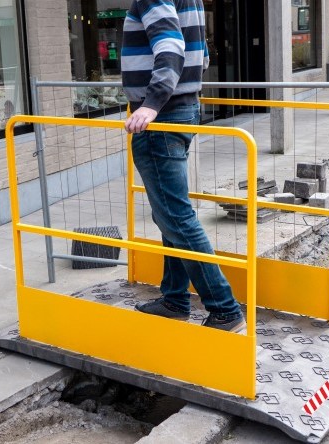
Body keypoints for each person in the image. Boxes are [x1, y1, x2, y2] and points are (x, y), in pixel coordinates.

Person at [121, 0, 244, 331]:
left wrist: (151, 103)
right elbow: (201, 55)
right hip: (183, 109)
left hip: (161, 118)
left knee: (175, 216)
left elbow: (171, 47)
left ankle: (225, 309)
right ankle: (174, 299)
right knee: (168, 214)